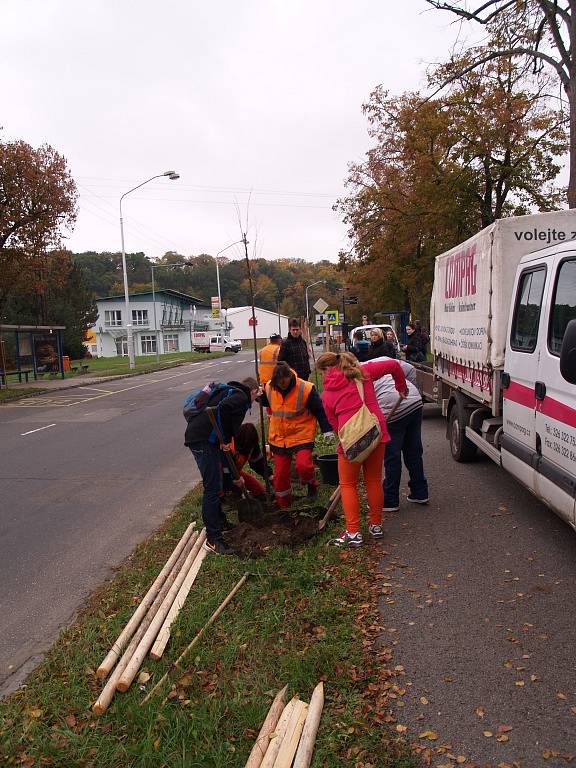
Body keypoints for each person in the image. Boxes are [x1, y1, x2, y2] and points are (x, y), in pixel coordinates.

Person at [316, 351, 407, 547]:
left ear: (326, 369)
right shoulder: (363, 372)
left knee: (348, 484)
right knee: (373, 480)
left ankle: (353, 533)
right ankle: (376, 525)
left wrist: (342, 441)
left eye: (322, 373)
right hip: (375, 433)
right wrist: (402, 387)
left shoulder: (327, 394)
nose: (323, 377)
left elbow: (333, 423)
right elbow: (393, 365)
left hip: (351, 441)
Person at [185, 377, 260, 555]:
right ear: (252, 391)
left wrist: (236, 477)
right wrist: (225, 438)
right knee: (211, 488)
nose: (256, 398)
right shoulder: (240, 397)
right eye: (256, 394)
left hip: (203, 437)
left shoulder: (231, 391)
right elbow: (224, 410)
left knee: (217, 482)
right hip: (202, 440)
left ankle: (221, 522)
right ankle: (213, 539)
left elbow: (227, 461)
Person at [261, 361, 333, 508]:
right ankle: (283, 504)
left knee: (304, 466)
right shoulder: (269, 386)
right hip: (279, 436)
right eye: (279, 384)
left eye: (284, 382)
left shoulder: (305, 388)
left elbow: (319, 410)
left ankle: (311, 483)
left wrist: (327, 430)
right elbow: (266, 402)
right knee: (280, 475)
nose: (282, 385)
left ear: (290, 376)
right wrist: (258, 396)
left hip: (301, 432)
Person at [372, 357, 429, 512]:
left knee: (392, 455)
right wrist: (409, 389)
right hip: (414, 402)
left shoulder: (356, 375)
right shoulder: (383, 360)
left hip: (394, 410)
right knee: (413, 451)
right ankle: (420, 492)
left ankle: (390, 500)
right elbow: (410, 370)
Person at [221, 422, 269, 500]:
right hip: (223, 476)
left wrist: (269, 475)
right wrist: (240, 490)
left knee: (260, 490)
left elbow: (258, 463)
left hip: (237, 474)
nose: (250, 448)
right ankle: (226, 497)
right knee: (236, 494)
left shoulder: (252, 444)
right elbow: (225, 475)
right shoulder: (228, 448)